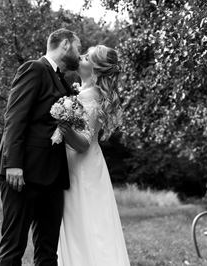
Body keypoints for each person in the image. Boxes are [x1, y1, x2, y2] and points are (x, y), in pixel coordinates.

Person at [0, 28, 81, 266]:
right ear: (65, 44)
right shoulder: (34, 68)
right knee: (14, 246)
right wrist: (13, 164)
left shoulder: (61, 78)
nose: (79, 54)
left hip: (52, 175)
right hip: (23, 172)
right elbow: (15, 118)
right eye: (78, 47)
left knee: (48, 250)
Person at [57, 45, 131, 266]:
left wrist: (62, 125)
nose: (80, 58)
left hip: (82, 169)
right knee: (88, 226)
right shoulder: (82, 91)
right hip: (81, 165)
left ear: (96, 69)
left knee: (85, 226)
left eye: (86, 57)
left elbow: (83, 144)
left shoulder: (90, 95)